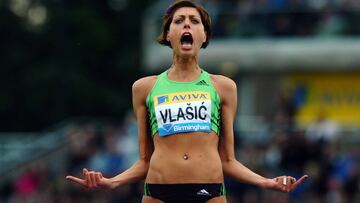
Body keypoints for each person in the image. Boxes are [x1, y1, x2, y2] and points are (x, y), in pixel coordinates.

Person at [66, 1, 308, 202]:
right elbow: (144, 161)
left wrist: (265, 182)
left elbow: (228, 160)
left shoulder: (223, 87)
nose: (187, 24)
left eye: (194, 21)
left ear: (204, 36)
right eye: (179, 21)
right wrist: (112, 181)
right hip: (158, 192)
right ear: (168, 34)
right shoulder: (144, 88)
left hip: (209, 191)